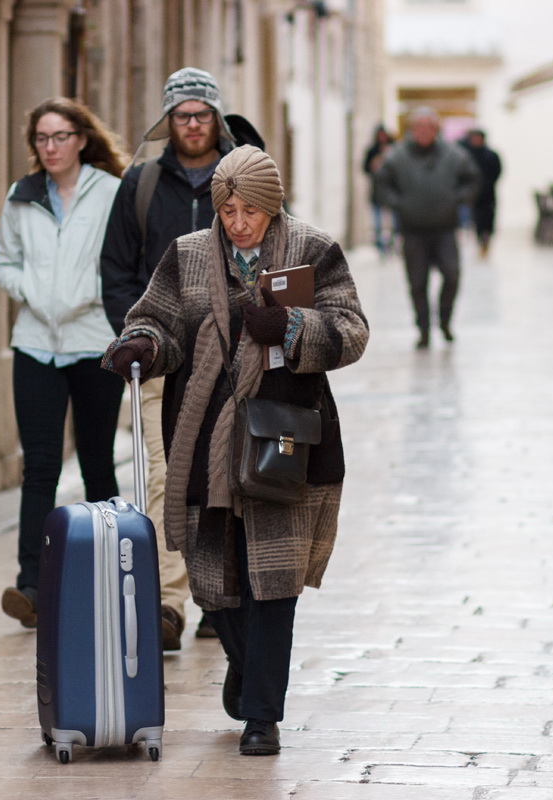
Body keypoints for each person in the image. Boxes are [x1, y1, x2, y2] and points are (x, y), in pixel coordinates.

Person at [102, 145, 369, 755]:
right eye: (227, 210)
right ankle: (248, 671)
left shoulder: (312, 249)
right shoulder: (188, 255)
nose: (238, 222)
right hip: (204, 443)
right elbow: (158, 322)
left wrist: (296, 328)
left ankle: (261, 717)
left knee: (274, 579)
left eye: (249, 210)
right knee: (214, 581)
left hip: (287, 437)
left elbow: (352, 329)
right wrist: (140, 344)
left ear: (272, 208)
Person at [100, 67, 238, 648]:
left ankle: (220, 598)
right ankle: (168, 603)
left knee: (227, 477)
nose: (192, 124)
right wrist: (139, 336)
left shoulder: (241, 180)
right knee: (164, 476)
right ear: (168, 121)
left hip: (232, 364)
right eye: (182, 115)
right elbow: (116, 271)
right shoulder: (141, 185)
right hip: (162, 362)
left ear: (216, 119)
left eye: (201, 114)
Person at [0, 98, 128, 628]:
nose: (50, 147)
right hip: (35, 346)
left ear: (81, 139)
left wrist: (88, 297)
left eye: (60, 136)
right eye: (41, 139)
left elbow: (121, 261)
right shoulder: (21, 197)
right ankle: (32, 584)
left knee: (97, 462)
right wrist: (30, 290)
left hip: (94, 342)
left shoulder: (112, 192)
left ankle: (111, 576)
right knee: (40, 467)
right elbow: (4, 262)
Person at [375, 107, 480, 348]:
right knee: (417, 282)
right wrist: (398, 204)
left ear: (436, 129)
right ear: (412, 130)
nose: (424, 132)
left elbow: (472, 179)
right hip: (413, 230)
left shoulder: (454, 155)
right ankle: (423, 329)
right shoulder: (397, 156)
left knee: (451, 275)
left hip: (444, 228)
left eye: (429, 127)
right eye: (419, 127)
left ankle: (444, 322)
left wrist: (458, 198)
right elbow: (381, 185)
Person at [460, 130, 502, 259]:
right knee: (476, 218)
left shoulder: (491, 155)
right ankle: (480, 241)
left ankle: (486, 239)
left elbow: (497, 171)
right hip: (475, 194)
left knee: (488, 218)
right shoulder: (467, 155)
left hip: (488, 193)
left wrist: (488, 184)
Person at [362, 124, 396, 256]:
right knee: (377, 222)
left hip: (392, 191)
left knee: (393, 222)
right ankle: (380, 246)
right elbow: (365, 169)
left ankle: (391, 244)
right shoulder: (372, 151)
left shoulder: (393, 149)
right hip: (377, 191)